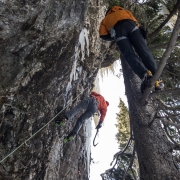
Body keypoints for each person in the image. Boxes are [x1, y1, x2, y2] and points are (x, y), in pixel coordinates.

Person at [99, 6, 164, 93]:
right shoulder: (125, 11)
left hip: (118, 31)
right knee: (143, 50)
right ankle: (158, 79)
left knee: (129, 54)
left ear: (108, 12)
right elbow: (136, 22)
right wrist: (140, 29)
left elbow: (102, 34)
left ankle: (145, 75)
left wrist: (112, 36)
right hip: (132, 26)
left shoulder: (105, 19)